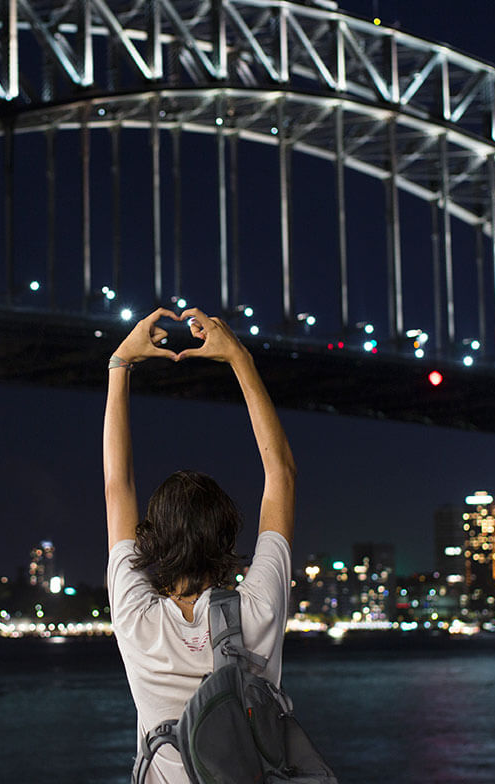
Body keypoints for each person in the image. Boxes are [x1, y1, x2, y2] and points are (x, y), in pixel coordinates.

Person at [104, 306, 296, 783]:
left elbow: (116, 486)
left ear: (151, 539)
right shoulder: (257, 609)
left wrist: (119, 364)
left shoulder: (137, 618)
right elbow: (281, 476)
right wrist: (240, 359)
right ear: (228, 535)